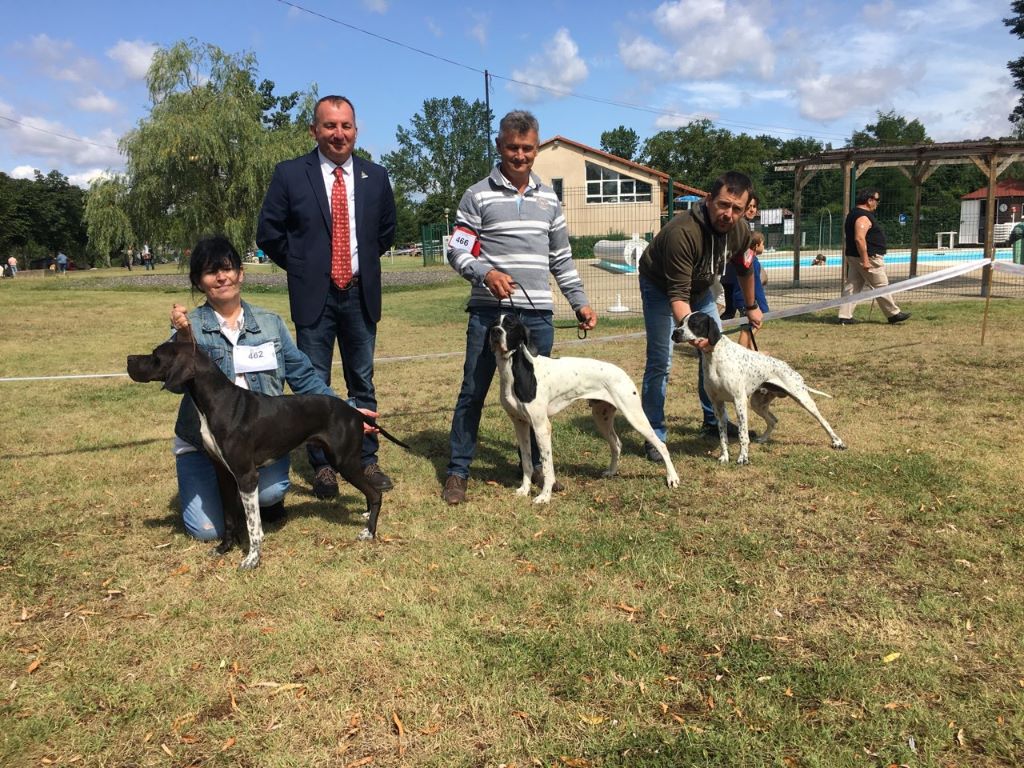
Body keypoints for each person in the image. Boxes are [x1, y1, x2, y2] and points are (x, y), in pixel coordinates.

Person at [167, 235, 377, 541]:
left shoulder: (269, 323)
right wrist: (183, 337)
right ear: (199, 282)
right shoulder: (190, 326)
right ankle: (228, 495)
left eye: (227, 268)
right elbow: (174, 386)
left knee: (268, 493)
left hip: (257, 437)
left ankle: (257, 499)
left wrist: (344, 411)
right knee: (206, 530)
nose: (221, 277)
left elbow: (303, 375)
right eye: (211, 272)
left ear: (241, 273)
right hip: (204, 446)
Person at [441, 110, 597, 505]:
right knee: (473, 391)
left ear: (536, 149)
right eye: (512, 147)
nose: (520, 155)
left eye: (527, 148)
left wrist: (579, 302)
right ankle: (458, 471)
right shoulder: (476, 195)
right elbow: (456, 250)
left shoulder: (549, 199)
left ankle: (534, 468)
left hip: (538, 317)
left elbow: (561, 258)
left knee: (532, 399)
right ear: (499, 146)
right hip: (489, 315)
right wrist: (483, 273)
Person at [257, 95, 397, 498]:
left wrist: (358, 264)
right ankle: (323, 466)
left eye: (346, 126)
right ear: (314, 130)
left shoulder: (376, 176)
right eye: (330, 126)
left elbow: (385, 232)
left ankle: (365, 459)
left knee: (362, 381)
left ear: (356, 129)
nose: (339, 134)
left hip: (360, 294)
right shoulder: (289, 174)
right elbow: (269, 232)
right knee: (313, 385)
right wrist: (303, 267)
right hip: (313, 296)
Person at [638, 170, 762, 456]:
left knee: (715, 353)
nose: (728, 214)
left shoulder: (740, 230)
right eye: (723, 204)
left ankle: (713, 419)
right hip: (661, 287)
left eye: (737, 209)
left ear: (745, 210)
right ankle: (654, 434)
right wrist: (695, 337)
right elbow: (678, 296)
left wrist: (752, 306)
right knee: (661, 359)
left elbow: (745, 268)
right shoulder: (682, 233)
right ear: (709, 200)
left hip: (702, 287)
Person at [838, 188, 910, 325]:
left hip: (854, 256)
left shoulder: (853, 214)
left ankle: (845, 316)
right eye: (876, 200)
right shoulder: (862, 216)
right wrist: (865, 260)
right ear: (869, 200)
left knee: (853, 286)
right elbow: (859, 238)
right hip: (868, 257)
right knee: (881, 285)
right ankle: (893, 314)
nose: (877, 203)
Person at [721, 231, 770, 348]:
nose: (764, 246)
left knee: (748, 326)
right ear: (757, 245)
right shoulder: (753, 263)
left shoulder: (746, 260)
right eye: (763, 244)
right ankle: (743, 350)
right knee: (749, 327)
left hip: (739, 298)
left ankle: (751, 349)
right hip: (746, 300)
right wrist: (763, 306)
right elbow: (756, 286)